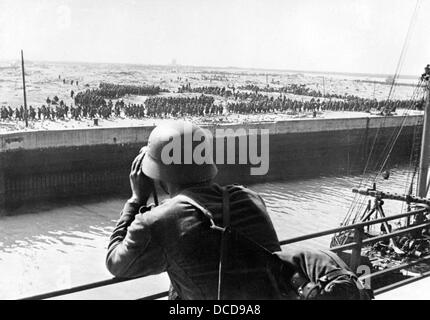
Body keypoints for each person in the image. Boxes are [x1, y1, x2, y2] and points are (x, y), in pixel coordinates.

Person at [106, 120, 284, 300]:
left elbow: (115, 263)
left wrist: (136, 200)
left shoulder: (156, 223)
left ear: (158, 175)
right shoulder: (250, 198)